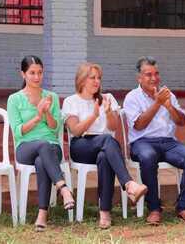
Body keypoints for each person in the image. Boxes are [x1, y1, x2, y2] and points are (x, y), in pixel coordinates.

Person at [62, 62, 148, 229]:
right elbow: (76, 130)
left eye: (99, 78)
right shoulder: (71, 101)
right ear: (81, 80)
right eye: (92, 77)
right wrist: (94, 115)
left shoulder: (108, 98)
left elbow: (114, 127)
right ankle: (129, 184)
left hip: (105, 148)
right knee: (108, 142)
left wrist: (108, 112)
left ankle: (105, 212)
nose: (96, 81)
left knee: (104, 155)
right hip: (81, 146)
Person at [123, 56, 185, 225]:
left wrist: (168, 105)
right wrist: (157, 103)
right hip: (142, 142)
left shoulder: (168, 94)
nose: (153, 78)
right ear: (139, 78)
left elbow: (182, 121)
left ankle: (183, 207)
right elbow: (139, 125)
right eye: (148, 74)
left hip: (168, 143)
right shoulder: (132, 97)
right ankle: (154, 209)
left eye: (156, 74)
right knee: (148, 156)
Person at [7, 55, 75, 231]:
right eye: (32, 73)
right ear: (23, 74)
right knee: (42, 146)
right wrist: (38, 117)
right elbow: (18, 131)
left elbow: (55, 129)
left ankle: (42, 214)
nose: (37, 77)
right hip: (25, 147)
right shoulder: (14, 99)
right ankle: (63, 188)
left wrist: (47, 113)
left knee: (42, 159)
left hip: (52, 146)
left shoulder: (50, 96)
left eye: (40, 72)